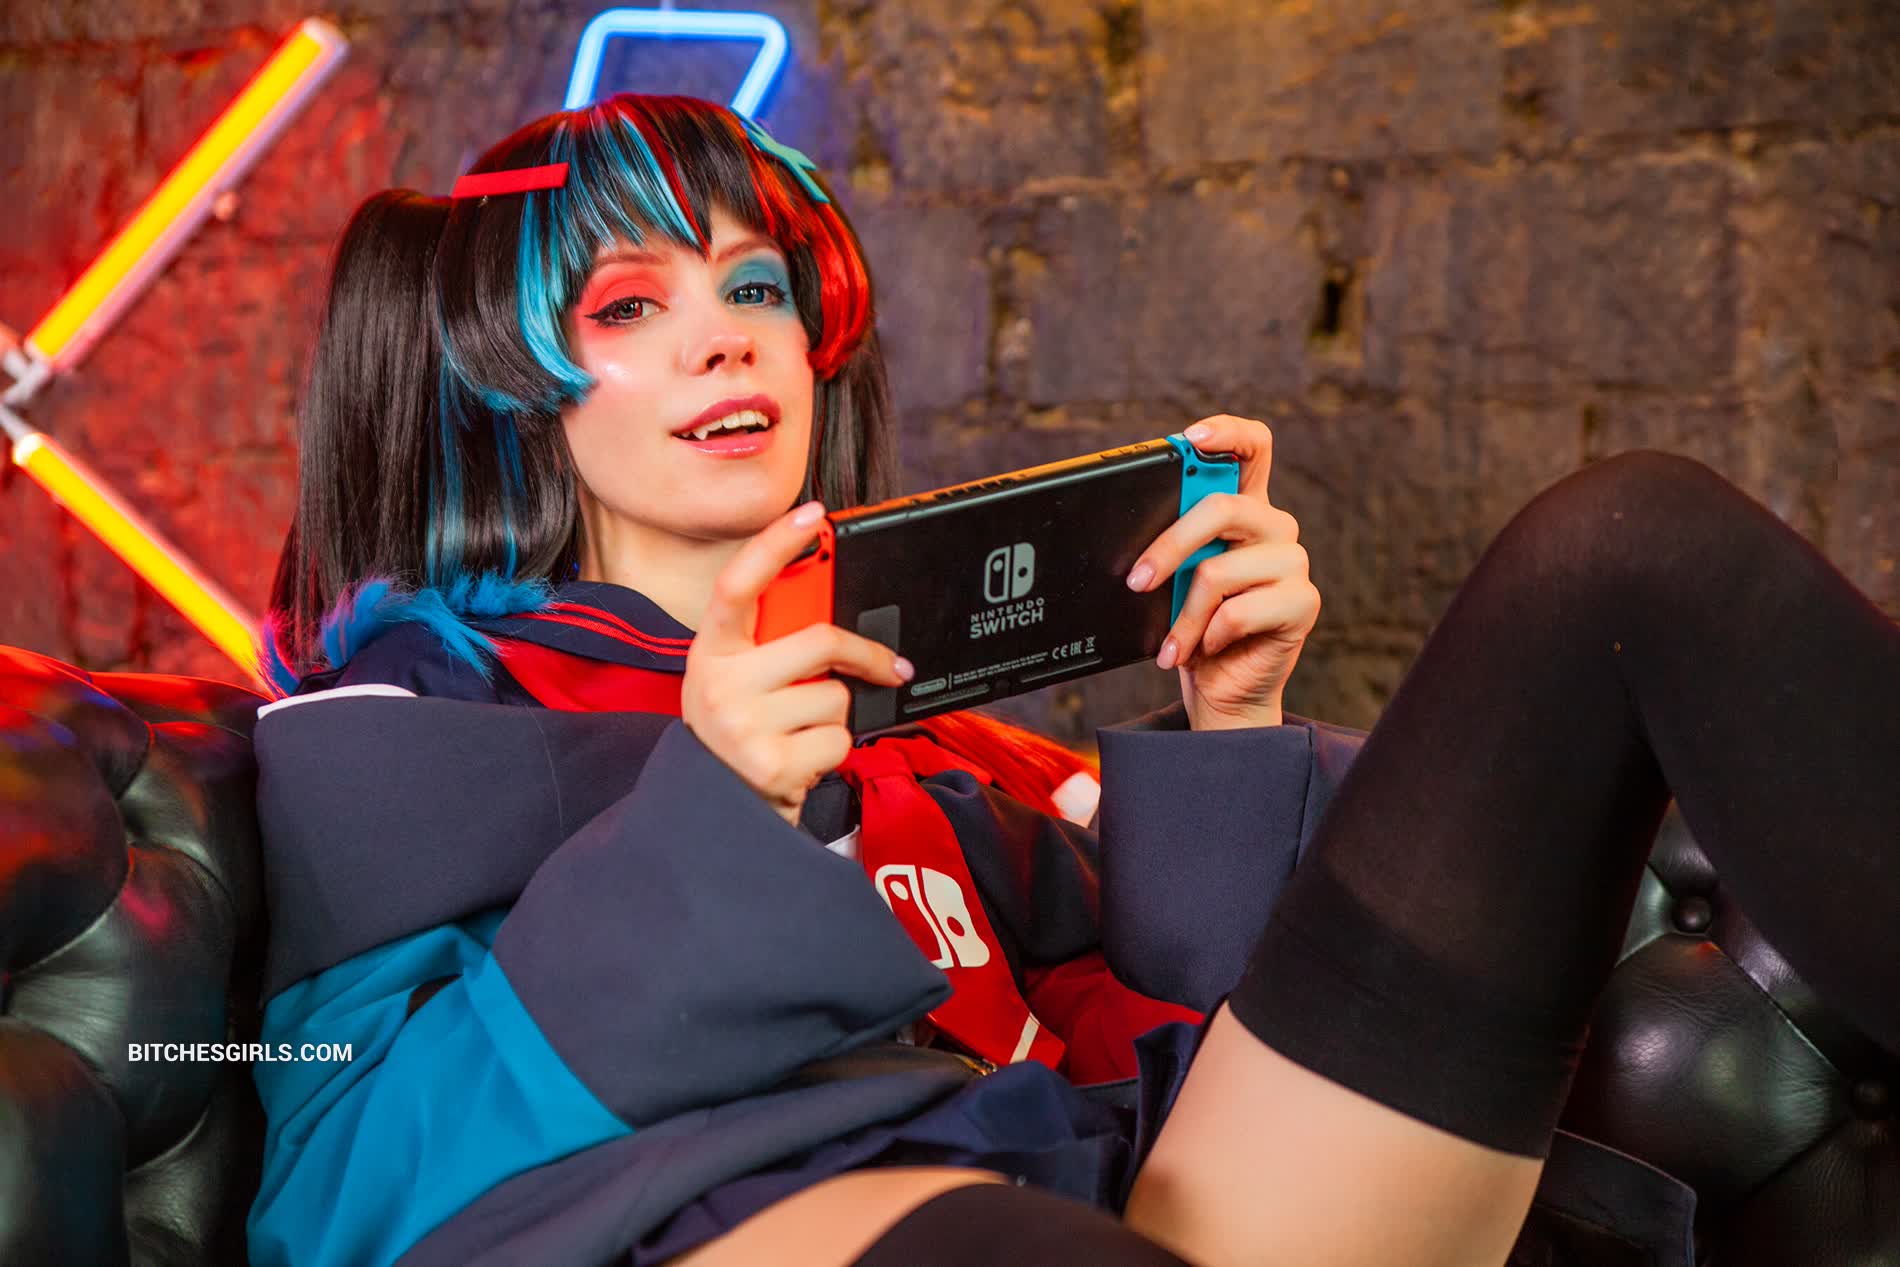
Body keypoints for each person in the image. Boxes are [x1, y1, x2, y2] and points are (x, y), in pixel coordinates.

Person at [250, 94, 1898, 1267]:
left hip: (1130, 1194)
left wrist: (1229, 729)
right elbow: (338, 1189)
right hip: (756, 1216)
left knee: (1627, 547)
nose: (729, 336)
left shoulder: (956, 748)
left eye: (759, 288)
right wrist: (713, 811)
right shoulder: (403, 718)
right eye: (629, 303)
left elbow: (1183, 1066)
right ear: (500, 382)